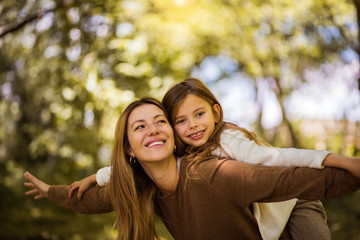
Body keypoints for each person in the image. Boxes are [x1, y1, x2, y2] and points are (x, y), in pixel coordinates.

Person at [24, 97, 360, 240]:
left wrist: (347, 166)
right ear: (128, 149)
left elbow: (292, 177)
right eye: (140, 127)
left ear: (171, 135)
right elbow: (88, 199)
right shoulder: (138, 184)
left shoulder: (213, 173)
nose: (153, 129)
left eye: (160, 121)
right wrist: (50, 192)